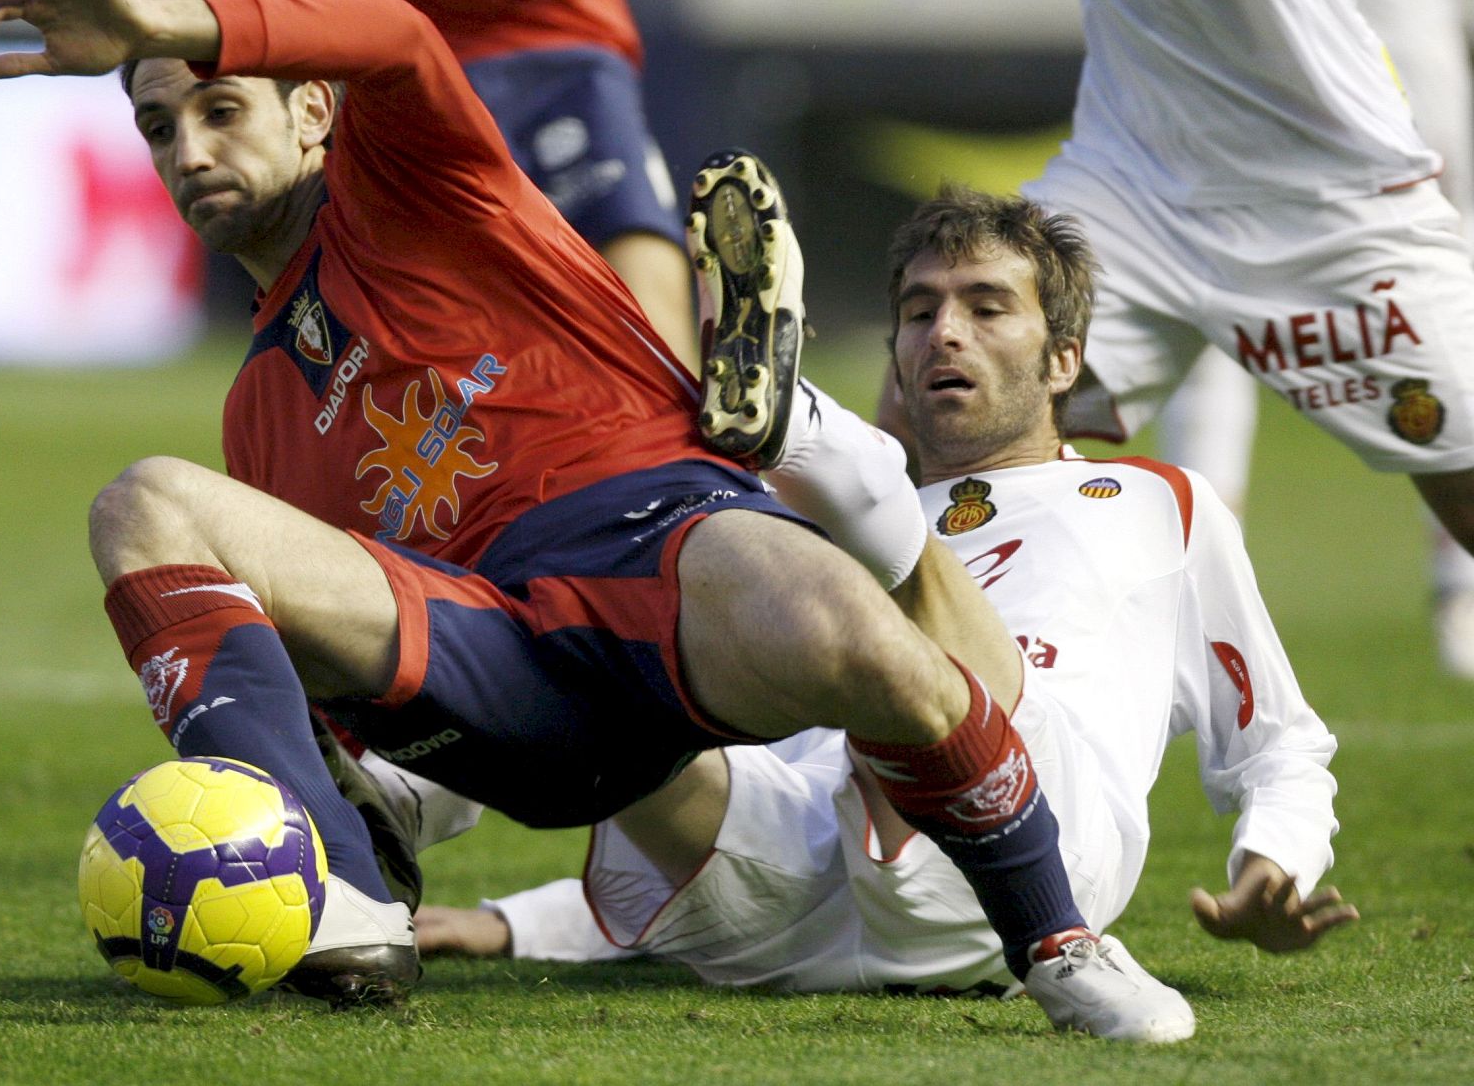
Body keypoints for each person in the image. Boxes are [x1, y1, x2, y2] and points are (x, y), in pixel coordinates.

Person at [0, 0, 1180, 1036]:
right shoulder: (261, 412)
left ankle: (1059, 945)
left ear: (316, 115)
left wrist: (164, 26)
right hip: (499, 668)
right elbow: (346, 624)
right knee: (146, 502)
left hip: (656, 546)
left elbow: (395, 32)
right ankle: (337, 888)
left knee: (850, 629)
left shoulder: (419, 183)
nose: (190, 151)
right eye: (159, 129)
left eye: (221, 108)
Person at [408, 184, 1357, 1022]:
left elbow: (1279, 742)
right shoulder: (809, 543)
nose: (945, 332)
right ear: (899, 352)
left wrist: (1275, 857)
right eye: (920, 311)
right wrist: (509, 923)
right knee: (620, 661)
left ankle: (794, 427)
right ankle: (395, 780)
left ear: (1065, 359)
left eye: (988, 308)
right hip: (792, 904)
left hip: (1044, 837)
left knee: (871, 607)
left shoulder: (1159, 502)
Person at [876, 0, 1474, 598]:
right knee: (918, 418)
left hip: (1325, 195)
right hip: (1133, 181)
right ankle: (892, 685)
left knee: (1465, 485)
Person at [1154, 0, 1474, 678]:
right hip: (1266, 54)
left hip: (1397, 50)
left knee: (1439, 310)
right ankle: (1205, 585)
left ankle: (1461, 584)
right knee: (1203, 290)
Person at [188, 0, 698, 371]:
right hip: (379, 67)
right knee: (410, 326)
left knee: (627, 250)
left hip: (548, 36)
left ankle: (708, 452)